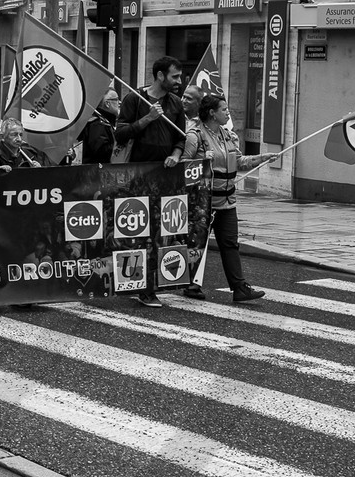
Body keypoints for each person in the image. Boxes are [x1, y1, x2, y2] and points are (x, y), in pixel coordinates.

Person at [178, 94, 276, 303]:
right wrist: (203, 161)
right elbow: (183, 165)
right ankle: (191, 285)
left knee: (230, 244)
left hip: (227, 201)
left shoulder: (229, 136)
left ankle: (239, 288)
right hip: (203, 202)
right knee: (197, 243)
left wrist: (262, 158)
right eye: (224, 109)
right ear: (212, 113)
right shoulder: (194, 136)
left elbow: (239, 161)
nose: (228, 112)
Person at [115, 55, 187, 308]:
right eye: (174, 77)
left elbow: (181, 138)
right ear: (159, 76)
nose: (179, 81)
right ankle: (136, 284)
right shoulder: (135, 99)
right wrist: (147, 118)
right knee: (136, 234)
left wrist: (176, 155)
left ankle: (150, 286)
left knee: (158, 234)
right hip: (136, 176)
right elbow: (120, 133)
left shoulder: (176, 103)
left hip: (164, 177)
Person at [81, 89, 120, 164]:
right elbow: (101, 151)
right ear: (107, 103)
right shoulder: (98, 124)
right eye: (116, 99)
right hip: (98, 171)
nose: (119, 103)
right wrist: (119, 146)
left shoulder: (105, 121)